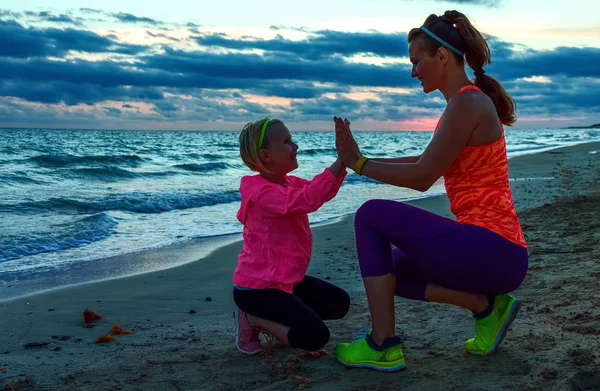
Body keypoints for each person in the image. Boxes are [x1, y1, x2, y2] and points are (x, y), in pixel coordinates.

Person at [333, 10, 528, 372]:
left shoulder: (467, 103)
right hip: (496, 253)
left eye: (416, 61)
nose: (413, 71)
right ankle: (485, 308)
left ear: (440, 56)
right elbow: (426, 159)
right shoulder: (464, 104)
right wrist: (359, 158)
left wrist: (359, 165)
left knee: (371, 214)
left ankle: (382, 344)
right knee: (387, 273)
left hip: (493, 247)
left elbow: (423, 175)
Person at [233, 117, 351, 355]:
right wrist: (341, 161)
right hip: (257, 290)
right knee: (316, 336)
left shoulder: (290, 183)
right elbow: (307, 200)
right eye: (287, 141)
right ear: (266, 155)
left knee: (340, 304)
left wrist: (348, 160)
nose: (295, 146)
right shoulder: (261, 192)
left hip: (286, 282)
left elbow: (318, 191)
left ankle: (278, 320)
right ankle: (254, 318)